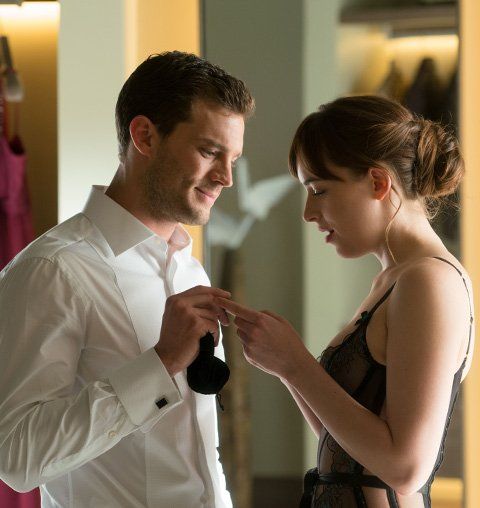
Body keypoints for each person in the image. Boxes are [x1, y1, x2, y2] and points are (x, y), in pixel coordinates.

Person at [0, 51, 254, 508]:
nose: (226, 178)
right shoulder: (54, 271)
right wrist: (159, 365)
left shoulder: (188, 268)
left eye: (232, 158)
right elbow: (17, 457)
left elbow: (191, 448)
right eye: (210, 151)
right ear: (145, 136)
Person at [216, 95, 474, 507]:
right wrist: (284, 366)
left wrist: (297, 365)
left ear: (378, 183)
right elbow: (349, 452)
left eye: (319, 190)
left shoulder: (428, 281)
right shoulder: (393, 280)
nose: (308, 212)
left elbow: (406, 467)